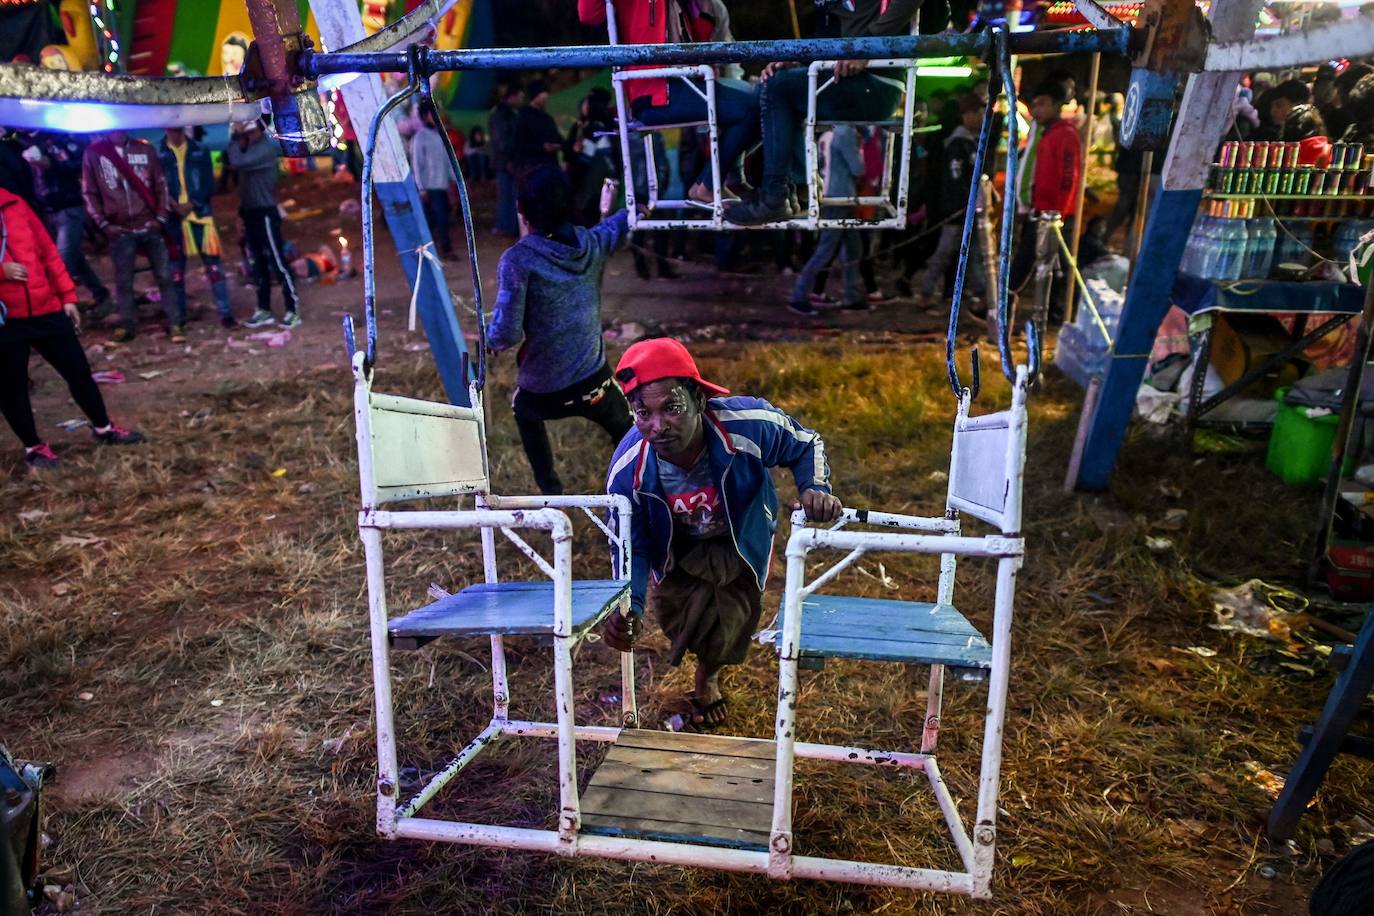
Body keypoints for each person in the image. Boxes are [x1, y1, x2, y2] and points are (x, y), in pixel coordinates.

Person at [602, 337, 843, 729]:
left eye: (672, 407)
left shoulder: (748, 426)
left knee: (733, 618)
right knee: (679, 617)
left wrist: (815, 488)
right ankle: (699, 649)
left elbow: (805, 443)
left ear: (698, 398)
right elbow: (631, 543)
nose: (658, 426)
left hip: (738, 533)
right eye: (642, 412)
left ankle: (708, 678)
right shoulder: (628, 473)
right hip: (677, 545)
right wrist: (629, 606)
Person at [487, 165, 633, 496]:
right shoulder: (592, 242)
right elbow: (622, 222)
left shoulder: (518, 261)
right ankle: (633, 483)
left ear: (522, 211)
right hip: (594, 382)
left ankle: (551, 491)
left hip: (543, 391)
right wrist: (631, 205)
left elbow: (506, 335)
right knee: (625, 425)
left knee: (522, 411)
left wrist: (490, 337)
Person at [725, 0, 923, 225]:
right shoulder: (827, 6)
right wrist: (796, 63)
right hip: (847, 77)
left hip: (879, 82)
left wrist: (867, 46)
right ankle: (798, 187)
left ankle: (774, 194)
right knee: (771, 84)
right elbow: (826, 42)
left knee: (777, 88)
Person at [0, 187, 142, 468]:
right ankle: (34, 448)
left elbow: (48, 252)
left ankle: (104, 428)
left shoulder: (15, 203)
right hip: (6, 319)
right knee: (11, 387)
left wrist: (67, 297)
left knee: (78, 371)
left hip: (46, 308)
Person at [578, 0, 759, 206]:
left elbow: (704, 42)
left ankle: (711, 182)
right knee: (751, 106)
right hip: (654, 91)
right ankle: (711, 184)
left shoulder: (690, 5)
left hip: (686, 83)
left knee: (762, 101)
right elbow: (588, 14)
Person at [81, 129, 180, 344]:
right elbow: (89, 192)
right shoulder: (94, 153)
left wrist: (161, 217)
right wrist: (104, 224)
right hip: (120, 229)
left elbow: (161, 184)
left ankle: (175, 323)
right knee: (123, 281)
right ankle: (127, 325)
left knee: (164, 276)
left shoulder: (144, 149)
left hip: (149, 225)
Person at [1008, 79, 1082, 322]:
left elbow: (1069, 177)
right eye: (1035, 105)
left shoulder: (1065, 135)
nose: (1036, 110)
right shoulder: (1045, 134)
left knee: (1055, 264)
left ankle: (1061, 311)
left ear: (1057, 105)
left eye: (1042, 104)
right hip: (1040, 211)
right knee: (1029, 260)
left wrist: (1057, 213)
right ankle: (1010, 305)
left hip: (1054, 216)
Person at [224, 118, 300, 329]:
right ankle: (264, 309)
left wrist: (234, 137)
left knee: (277, 261)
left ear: (259, 128)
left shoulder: (265, 148)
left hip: (266, 212)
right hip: (251, 212)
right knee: (257, 263)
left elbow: (236, 161)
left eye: (249, 129)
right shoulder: (250, 147)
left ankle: (292, 309)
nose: (246, 133)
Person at [158, 127, 235, 329]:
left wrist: (192, 203)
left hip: (200, 216)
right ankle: (179, 318)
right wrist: (172, 204)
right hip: (174, 219)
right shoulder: (158, 154)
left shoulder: (200, 150)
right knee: (175, 271)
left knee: (214, 267)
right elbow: (156, 184)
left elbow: (209, 183)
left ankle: (225, 313)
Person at [787, 124, 866, 316]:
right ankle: (799, 296)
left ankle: (852, 296)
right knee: (826, 250)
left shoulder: (825, 133)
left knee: (853, 248)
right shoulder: (845, 131)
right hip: (840, 195)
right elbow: (857, 168)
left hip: (828, 192)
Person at [29, 132, 110, 316]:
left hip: (70, 207)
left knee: (62, 262)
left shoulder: (63, 140)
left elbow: (77, 165)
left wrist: (50, 164)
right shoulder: (30, 142)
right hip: (48, 209)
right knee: (76, 260)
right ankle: (102, 296)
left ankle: (58, 309)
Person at [919, 94, 987, 305]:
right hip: (959, 209)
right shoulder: (958, 144)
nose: (983, 118)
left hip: (970, 208)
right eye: (980, 114)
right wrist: (962, 204)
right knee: (946, 251)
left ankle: (983, 294)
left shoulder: (970, 142)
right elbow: (955, 179)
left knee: (974, 253)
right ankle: (926, 291)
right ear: (968, 115)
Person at [409, 105, 456, 260]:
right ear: (424, 116)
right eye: (431, 113)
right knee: (435, 219)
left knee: (441, 218)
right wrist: (421, 188)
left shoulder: (441, 135)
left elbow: (448, 161)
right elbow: (417, 164)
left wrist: (454, 180)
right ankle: (438, 250)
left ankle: (438, 248)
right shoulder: (420, 138)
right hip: (429, 186)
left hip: (442, 184)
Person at [488, 84, 524, 236]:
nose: (522, 100)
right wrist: (509, 159)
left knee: (510, 194)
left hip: (507, 161)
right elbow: (502, 140)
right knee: (507, 195)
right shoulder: (503, 115)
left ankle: (509, 226)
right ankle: (506, 226)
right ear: (512, 96)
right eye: (520, 96)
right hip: (506, 162)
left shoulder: (507, 114)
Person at [512, 80, 564, 172]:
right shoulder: (522, 116)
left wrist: (566, 146)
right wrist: (541, 147)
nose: (547, 98)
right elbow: (519, 145)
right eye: (543, 94)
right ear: (536, 96)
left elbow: (557, 138)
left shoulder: (547, 118)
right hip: (531, 170)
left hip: (550, 167)